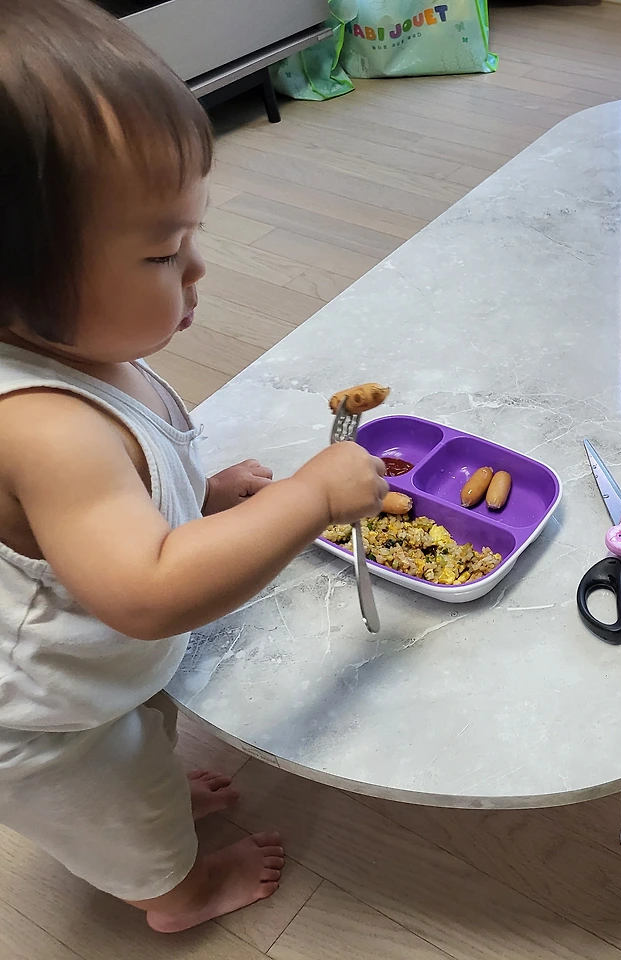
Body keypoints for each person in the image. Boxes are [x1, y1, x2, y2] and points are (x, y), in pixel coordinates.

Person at [0, 0, 388, 933]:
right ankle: (175, 893)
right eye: (164, 251)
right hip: (45, 724)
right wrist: (309, 498)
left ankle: (153, 799)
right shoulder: (43, 425)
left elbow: (106, 504)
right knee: (118, 804)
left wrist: (202, 499)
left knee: (145, 746)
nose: (199, 268)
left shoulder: (81, 348)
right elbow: (148, 590)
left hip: (99, 669)